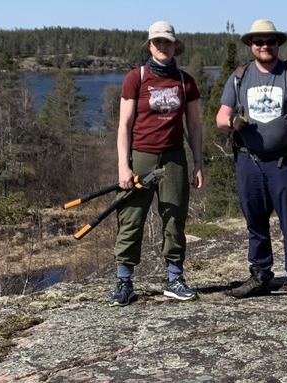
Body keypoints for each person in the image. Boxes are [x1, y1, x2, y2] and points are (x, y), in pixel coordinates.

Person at [216, 19, 287, 306]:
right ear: (251, 45)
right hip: (250, 162)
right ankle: (260, 275)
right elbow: (220, 118)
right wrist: (233, 121)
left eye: (270, 41)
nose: (264, 46)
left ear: (278, 45)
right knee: (255, 223)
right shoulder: (240, 76)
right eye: (259, 42)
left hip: (285, 161)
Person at [109, 21, 205, 307]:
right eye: (157, 42)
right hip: (141, 156)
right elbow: (124, 125)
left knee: (174, 217)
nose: (163, 47)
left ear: (176, 46)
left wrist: (198, 161)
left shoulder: (185, 81)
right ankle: (124, 282)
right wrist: (123, 167)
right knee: (131, 218)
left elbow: (196, 125)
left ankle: (174, 279)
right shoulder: (135, 78)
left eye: (168, 42)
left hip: (174, 157)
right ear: (149, 46)